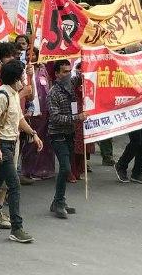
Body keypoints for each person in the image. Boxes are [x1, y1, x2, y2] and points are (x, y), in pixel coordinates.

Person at [0, 60, 40, 242]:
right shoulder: (1, 96)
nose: (24, 79)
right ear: (16, 78)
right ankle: (17, 229)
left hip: (12, 143)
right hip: (2, 145)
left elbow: (19, 119)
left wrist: (33, 134)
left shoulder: (13, 95)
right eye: (22, 76)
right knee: (14, 185)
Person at [46, 59, 86, 218]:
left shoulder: (71, 83)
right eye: (64, 71)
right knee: (66, 168)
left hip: (69, 134)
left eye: (69, 71)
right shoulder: (53, 93)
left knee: (67, 168)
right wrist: (77, 118)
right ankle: (59, 202)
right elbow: (55, 118)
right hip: (57, 135)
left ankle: (58, 201)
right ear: (56, 74)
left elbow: (83, 76)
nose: (68, 74)